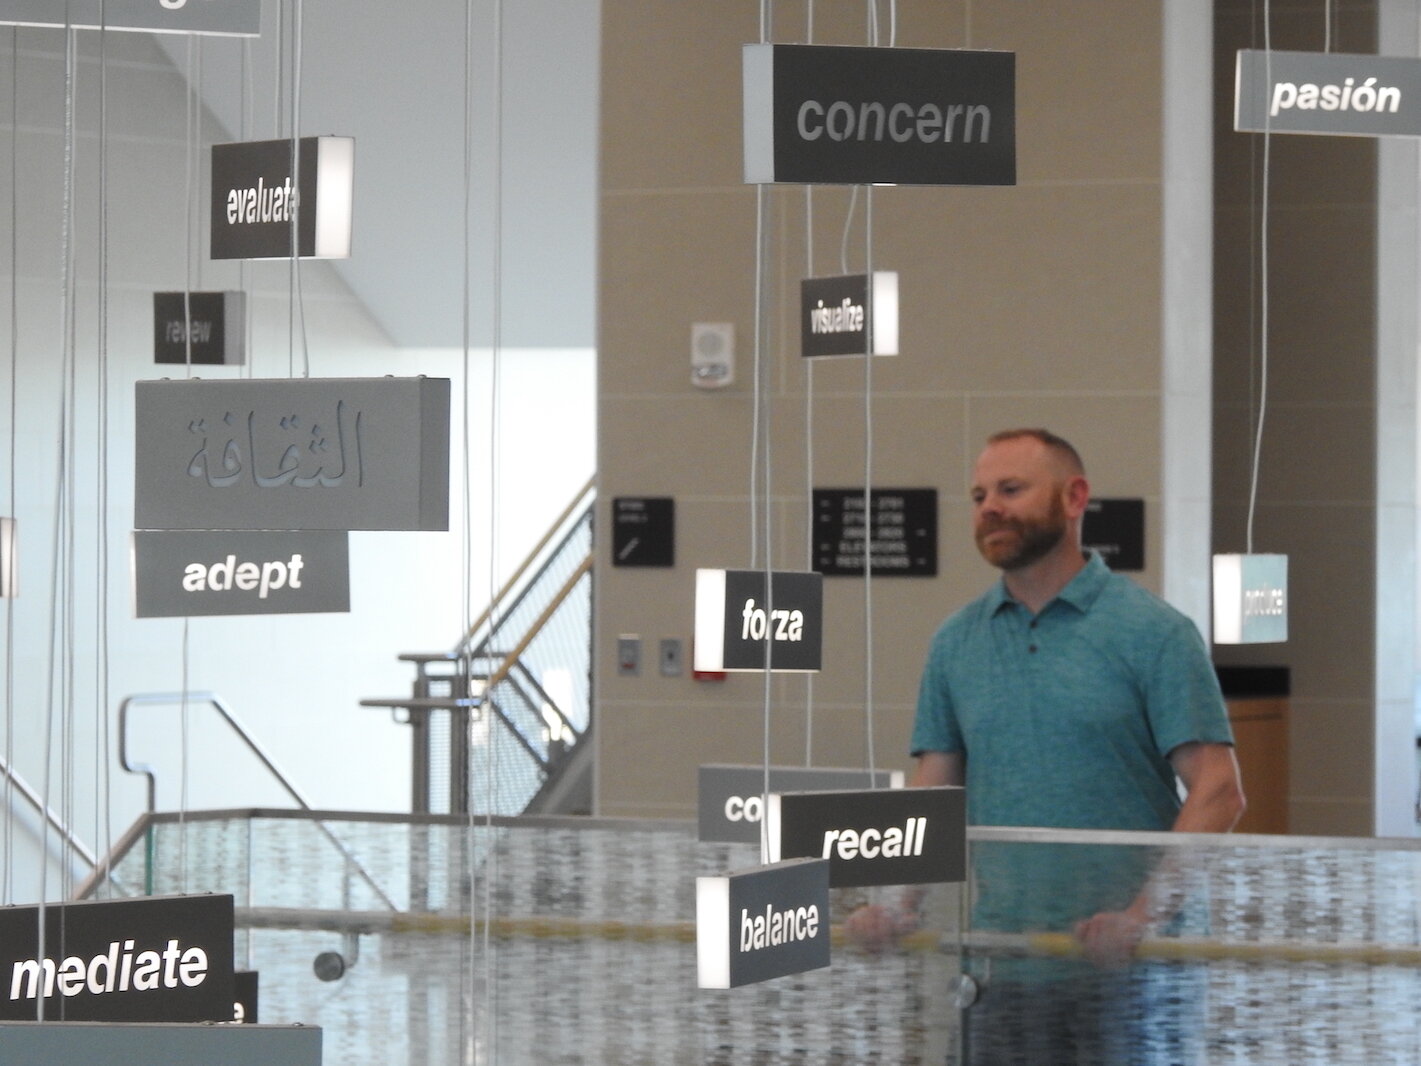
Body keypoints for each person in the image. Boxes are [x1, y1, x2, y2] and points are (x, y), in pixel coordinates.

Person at [849, 428, 1245, 1064]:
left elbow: (1219, 790)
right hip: (1003, 965)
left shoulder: (1155, 633)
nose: (989, 508)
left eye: (1011, 489)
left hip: (1128, 975)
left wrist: (1142, 916)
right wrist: (897, 903)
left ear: (1074, 497)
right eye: (978, 495)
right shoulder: (956, 642)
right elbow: (935, 786)